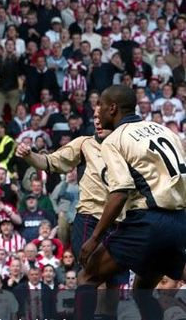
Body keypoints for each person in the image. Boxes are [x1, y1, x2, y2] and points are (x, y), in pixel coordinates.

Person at [75, 85, 186, 320]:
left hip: (148, 222)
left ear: (112, 108)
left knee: (87, 277)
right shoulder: (165, 130)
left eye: (101, 106)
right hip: (179, 221)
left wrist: (94, 238)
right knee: (142, 291)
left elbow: (120, 191)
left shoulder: (114, 140)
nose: (98, 112)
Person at [16, 111, 128, 319]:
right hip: (90, 218)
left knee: (115, 280)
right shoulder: (83, 144)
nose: (97, 119)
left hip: (120, 220)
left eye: (100, 114)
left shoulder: (127, 144)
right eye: (93, 116)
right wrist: (30, 155)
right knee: (91, 274)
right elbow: (49, 162)